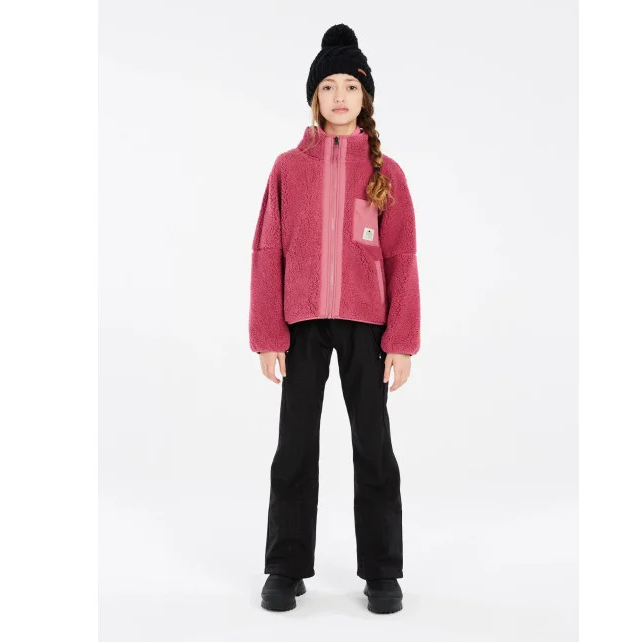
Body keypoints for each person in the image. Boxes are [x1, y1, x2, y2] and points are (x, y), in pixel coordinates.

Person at [249, 23, 421, 614]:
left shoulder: (386, 171)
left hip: (366, 324)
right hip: (301, 324)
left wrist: (401, 339)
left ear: (364, 96)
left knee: (373, 445)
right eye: (328, 87)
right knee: (294, 445)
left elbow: (402, 257)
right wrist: (268, 333)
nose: (340, 96)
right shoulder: (287, 168)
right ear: (315, 98)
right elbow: (267, 250)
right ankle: (285, 566)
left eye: (350, 86)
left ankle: (382, 572)